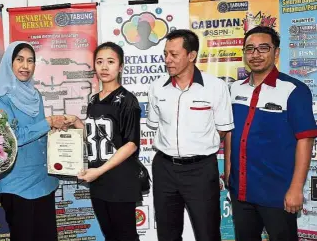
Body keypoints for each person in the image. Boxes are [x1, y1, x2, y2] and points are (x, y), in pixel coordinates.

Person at [224, 26, 317, 241]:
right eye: (250, 49)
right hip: (242, 190)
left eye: (263, 48)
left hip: (278, 192)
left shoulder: (293, 89)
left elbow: (305, 139)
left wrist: (296, 188)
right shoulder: (235, 88)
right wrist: (228, 165)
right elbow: (230, 130)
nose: (255, 54)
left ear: (276, 52)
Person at [147, 29, 234, 241]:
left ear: (192, 55)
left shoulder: (216, 87)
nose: (168, 60)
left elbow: (223, 128)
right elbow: (154, 124)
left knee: (207, 233)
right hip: (164, 169)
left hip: (201, 171)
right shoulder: (157, 87)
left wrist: (197, 145)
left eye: (174, 55)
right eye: (165, 54)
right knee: (167, 234)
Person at [0, 41, 71, 241]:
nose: (25, 66)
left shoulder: (35, 95)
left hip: (43, 180)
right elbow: (11, 138)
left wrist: (58, 133)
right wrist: (48, 123)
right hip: (17, 184)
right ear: (9, 63)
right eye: (19, 60)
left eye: (30, 61)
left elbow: (38, 133)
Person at [68, 41, 142, 241]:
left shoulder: (127, 100)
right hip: (98, 181)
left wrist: (99, 171)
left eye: (110, 61)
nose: (104, 67)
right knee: (109, 235)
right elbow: (94, 137)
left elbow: (131, 143)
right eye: (99, 62)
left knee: (126, 236)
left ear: (120, 66)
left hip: (120, 181)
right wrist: (76, 122)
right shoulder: (93, 100)